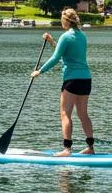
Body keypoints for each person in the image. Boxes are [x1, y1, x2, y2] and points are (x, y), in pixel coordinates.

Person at [31, 8, 94, 156]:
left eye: (62, 19)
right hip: (85, 79)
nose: (61, 22)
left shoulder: (66, 36)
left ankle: (67, 149)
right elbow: (67, 52)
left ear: (66, 21)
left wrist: (40, 71)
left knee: (65, 114)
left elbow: (56, 58)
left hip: (71, 80)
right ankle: (90, 148)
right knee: (83, 114)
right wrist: (52, 41)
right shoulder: (82, 36)